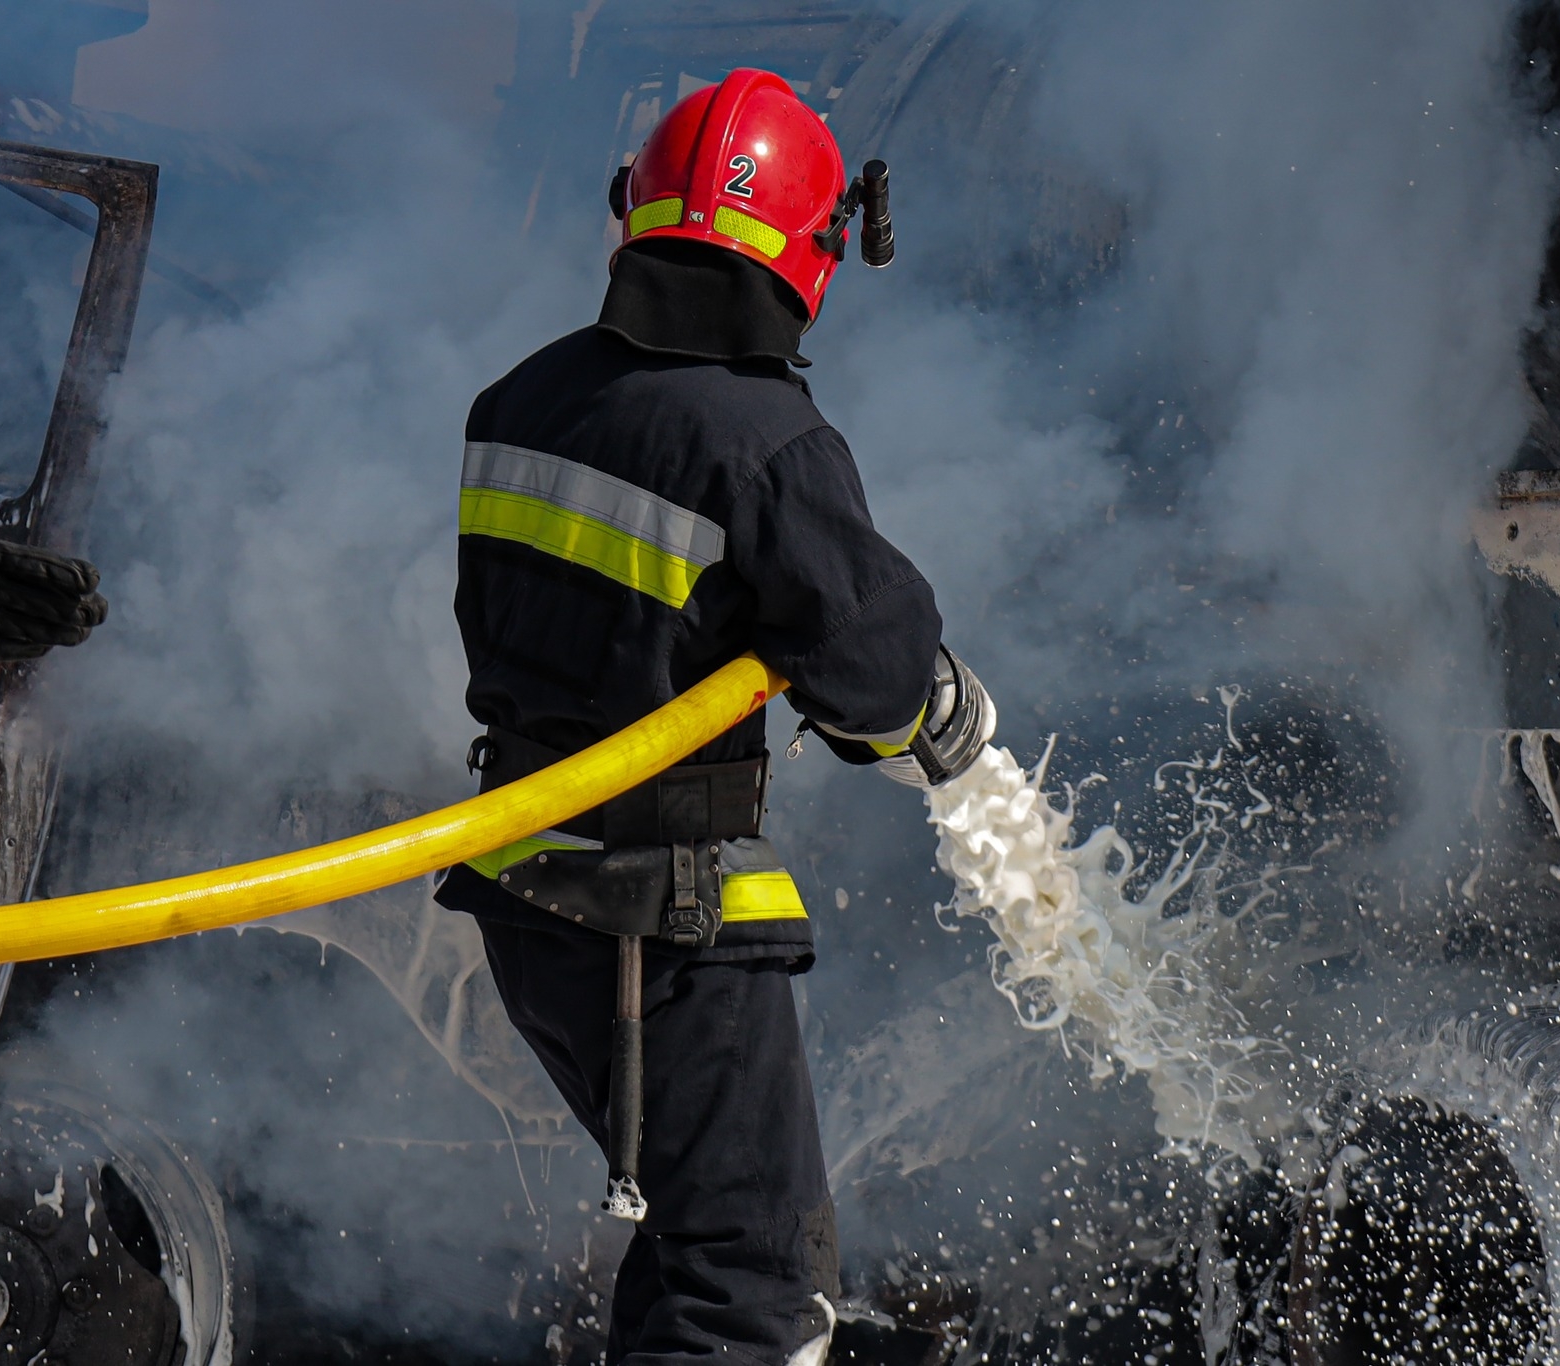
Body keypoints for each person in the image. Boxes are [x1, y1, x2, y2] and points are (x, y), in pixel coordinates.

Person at [432, 69, 993, 1366]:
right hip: (664, 923)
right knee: (756, 1291)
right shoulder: (771, 446)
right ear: (818, 252)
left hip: (525, 889)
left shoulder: (518, 399)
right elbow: (879, 684)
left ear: (634, 211)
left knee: (692, 1243)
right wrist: (935, 717)